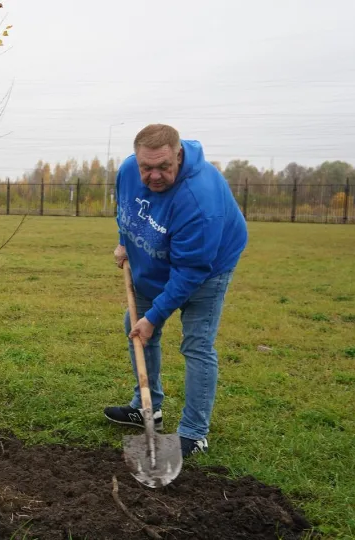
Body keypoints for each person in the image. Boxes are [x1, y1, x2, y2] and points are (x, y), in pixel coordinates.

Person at [103, 124, 248, 459]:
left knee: (196, 343)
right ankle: (147, 408)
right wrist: (124, 243)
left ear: (178, 155)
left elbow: (190, 271)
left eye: (163, 167)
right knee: (135, 328)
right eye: (146, 167)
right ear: (137, 159)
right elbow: (126, 211)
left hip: (206, 268)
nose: (154, 175)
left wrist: (155, 316)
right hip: (154, 256)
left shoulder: (200, 200)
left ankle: (194, 433)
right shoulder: (128, 170)